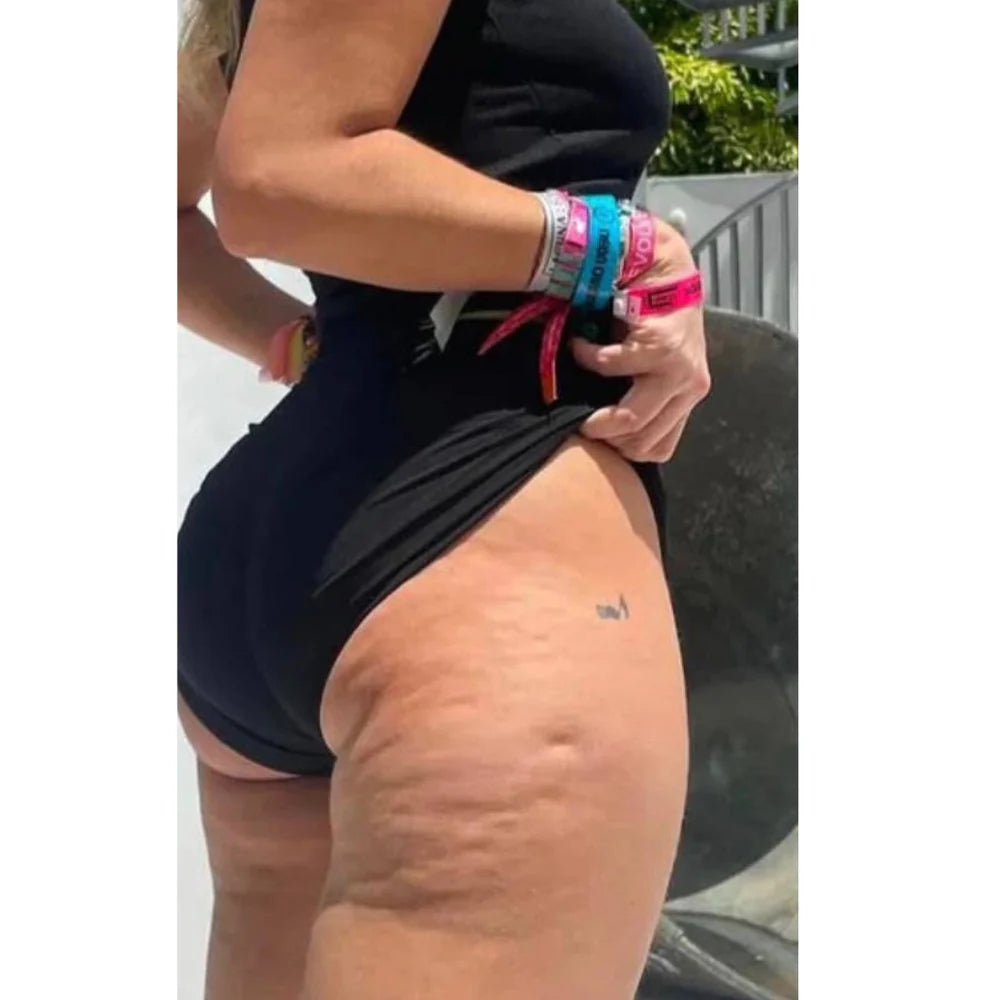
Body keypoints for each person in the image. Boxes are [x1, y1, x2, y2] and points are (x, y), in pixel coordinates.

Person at [177, 1, 710, 998]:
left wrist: (292, 342)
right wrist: (623, 249)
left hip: (286, 550)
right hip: (482, 554)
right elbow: (277, 179)